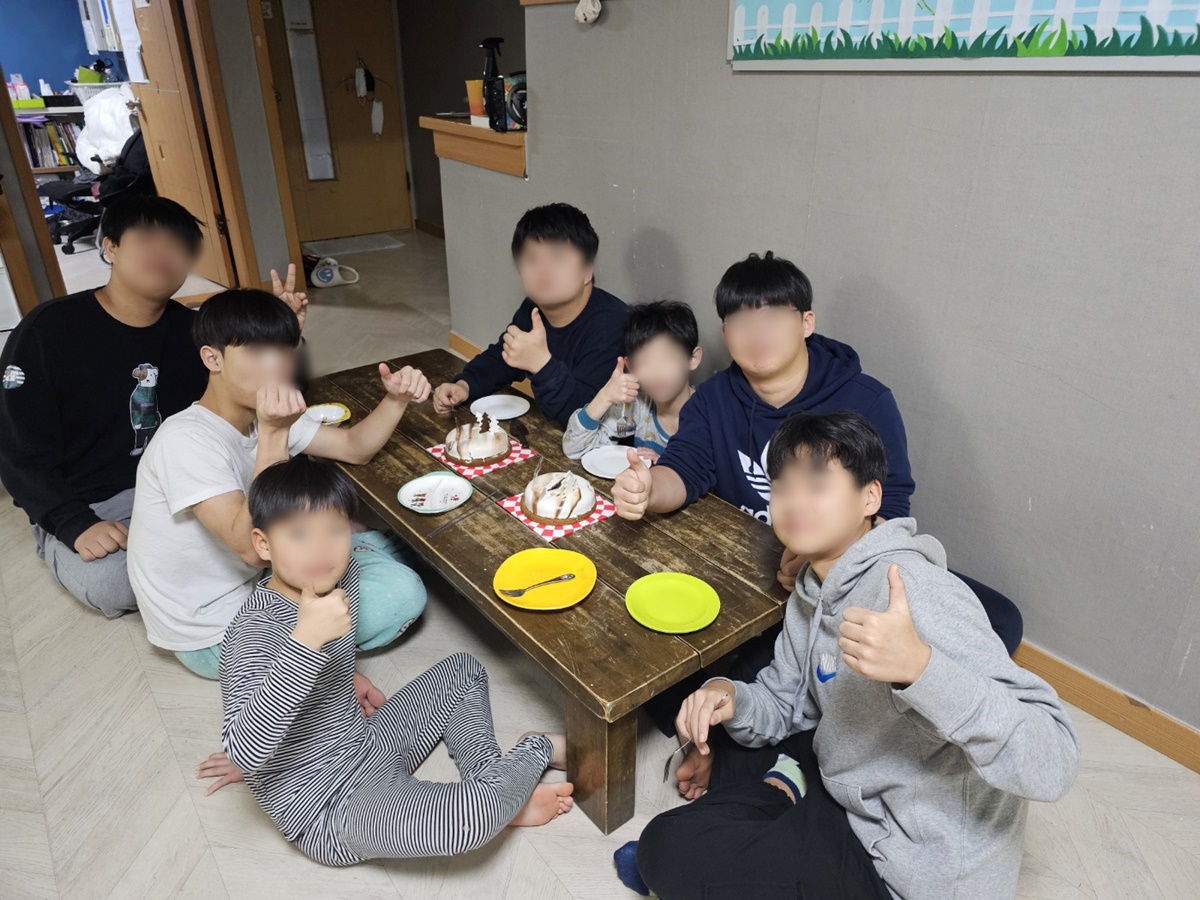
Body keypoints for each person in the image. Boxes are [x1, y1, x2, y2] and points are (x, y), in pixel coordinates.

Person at [632, 412, 1079, 900]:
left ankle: (787, 791)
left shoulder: (917, 591)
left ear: (870, 497)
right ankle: (791, 785)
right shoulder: (813, 585)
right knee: (726, 752)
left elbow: (1053, 758)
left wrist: (921, 669)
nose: (795, 503)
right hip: (853, 794)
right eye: (782, 488)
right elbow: (785, 702)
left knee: (666, 849)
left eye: (817, 486)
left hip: (911, 870)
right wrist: (728, 696)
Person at [208, 455, 574, 865]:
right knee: (471, 820)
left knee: (464, 671)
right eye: (298, 534)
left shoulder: (340, 575)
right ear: (263, 544)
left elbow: (331, 655)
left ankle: (498, 786)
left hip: (367, 742)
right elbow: (243, 749)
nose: (320, 548)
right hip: (331, 809)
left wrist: (344, 676)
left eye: (334, 529)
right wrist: (306, 642)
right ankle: (535, 752)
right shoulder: (253, 632)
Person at [0, 194, 308, 617]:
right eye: (147, 238)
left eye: (179, 245)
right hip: (95, 503)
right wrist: (73, 523)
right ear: (110, 247)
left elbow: (267, 405)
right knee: (116, 583)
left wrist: (280, 342)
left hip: (188, 482)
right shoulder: (48, 330)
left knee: (281, 512)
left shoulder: (195, 331)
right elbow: (16, 447)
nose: (165, 253)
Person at [126, 289, 427, 680]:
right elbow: (251, 548)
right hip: (218, 629)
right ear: (212, 358)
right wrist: (274, 433)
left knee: (402, 541)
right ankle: (319, 657)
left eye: (284, 351)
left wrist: (396, 399)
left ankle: (355, 568)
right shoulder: (184, 439)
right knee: (401, 593)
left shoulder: (260, 412)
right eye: (257, 352)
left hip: (265, 577)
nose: (277, 367)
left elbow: (354, 447)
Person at [431, 203, 627, 428]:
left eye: (557, 257)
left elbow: (585, 417)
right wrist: (465, 385)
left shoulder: (611, 326)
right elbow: (504, 356)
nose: (543, 269)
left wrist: (541, 364)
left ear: (587, 270)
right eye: (532, 259)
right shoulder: (534, 308)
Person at [563, 300, 701, 462]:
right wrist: (605, 396)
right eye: (644, 361)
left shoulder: (709, 413)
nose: (656, 372)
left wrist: (668, 465)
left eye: (667, 358)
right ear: (631, 367)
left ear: (693, 359)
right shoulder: (637, 406)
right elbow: (574, 449)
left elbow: (719, 472)